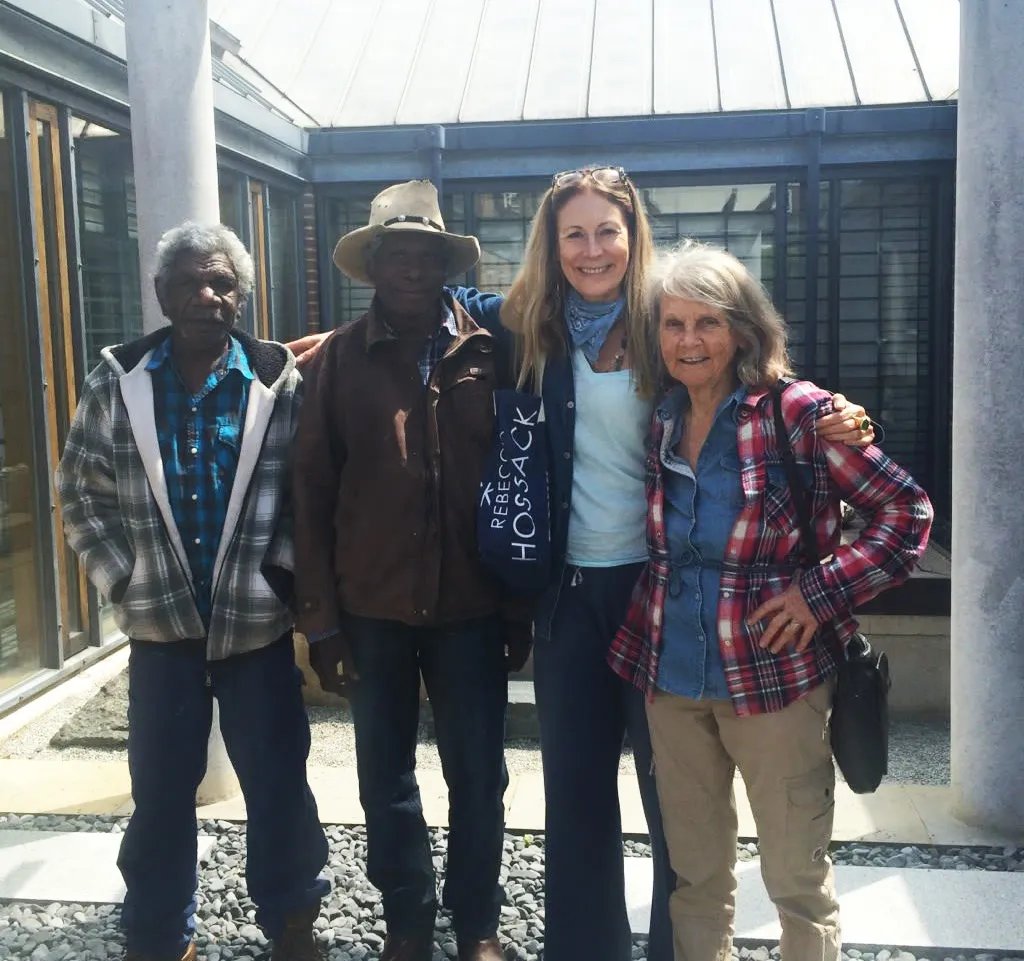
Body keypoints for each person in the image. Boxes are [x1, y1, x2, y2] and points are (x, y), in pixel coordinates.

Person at [285, 166, 876, 961]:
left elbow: (753, 374)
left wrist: (838, 410)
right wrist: (326, 347)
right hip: (567, 597)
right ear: (551, 243)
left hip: (661, 595)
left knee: (677, 803)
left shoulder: (670, 329)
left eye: (607, 231)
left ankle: (680, 949)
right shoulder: (525, 326)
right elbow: (425, 322)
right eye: (574, 233)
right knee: (576, 802)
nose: (591, 249)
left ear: (633, 238)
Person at [609, 241, 933, 961]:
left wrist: (818, 594)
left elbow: (906, 513)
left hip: (776, 680)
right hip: (672, 678)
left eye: (708, 323)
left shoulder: (799, 413)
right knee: (695, 877)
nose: (689, 340)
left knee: (795, 878)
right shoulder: (660, 416)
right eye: (673, 324)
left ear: (744, 330)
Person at [55, 223, 329, 961]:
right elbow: (79, 493)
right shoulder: (119, 381)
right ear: (161, 293)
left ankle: (293, 921)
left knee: (278, 785)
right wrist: (126, 579)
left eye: (222, 284)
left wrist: (282, 576)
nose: (206, 296)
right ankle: (160, 934)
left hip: (255, 627)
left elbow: (311, 496)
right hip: (162, 633)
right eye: (189, 282)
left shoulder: (279, 385)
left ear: (241, 297)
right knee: (161, 795)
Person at [291, 181, 531, 961]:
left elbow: (524, 472)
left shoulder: (493, 352)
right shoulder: (337, 362)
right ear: (374, 267)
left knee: (478, 775)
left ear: (444, 266)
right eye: (397, 256)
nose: (412, 270)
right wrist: (319, 619)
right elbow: (312, 487)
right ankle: (406, 922)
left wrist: (516, 604)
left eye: (427, 256)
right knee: (383, 776)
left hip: (470, 605)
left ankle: (476, 924)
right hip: (371, 607)